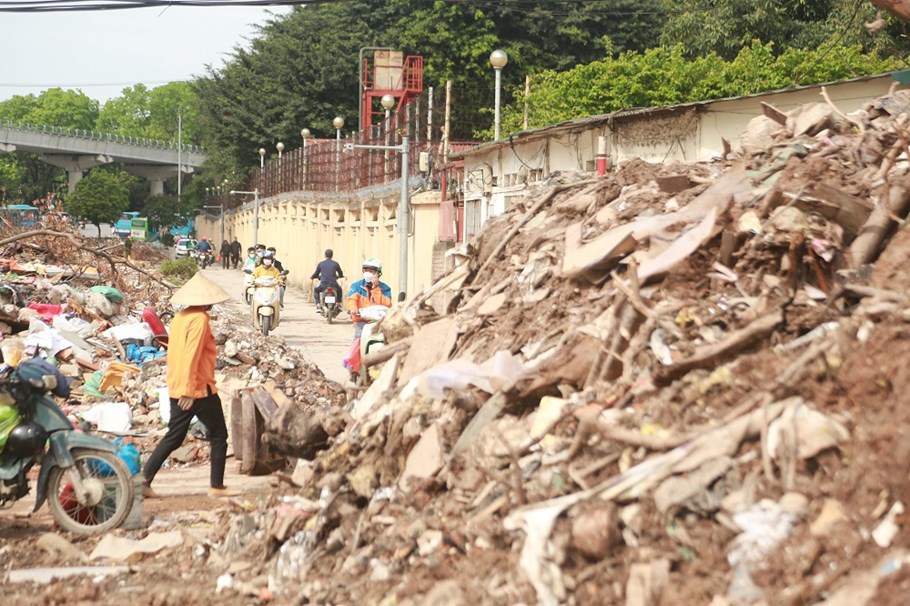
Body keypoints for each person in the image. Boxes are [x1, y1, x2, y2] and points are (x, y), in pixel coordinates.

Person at [141, 273, 240, 499]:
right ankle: (217, 487)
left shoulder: (180, 317)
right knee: (218, 436)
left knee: (174, 436)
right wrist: (189, 391)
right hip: (198, 388)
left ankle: (144, 479)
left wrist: (182, 388)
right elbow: (191, 354)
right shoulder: (200, 320)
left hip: (177, 385)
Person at [345, 258, 392, 338]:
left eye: (371, 271)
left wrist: (376, 288)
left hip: (379, 322)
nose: (368, 273)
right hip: (361, 320)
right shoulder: (356, 286)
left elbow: (386, 305)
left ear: (378, 273)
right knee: (358, 338)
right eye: (366, 271)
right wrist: (352, 308)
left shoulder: (385, 288)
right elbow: (352, 300)